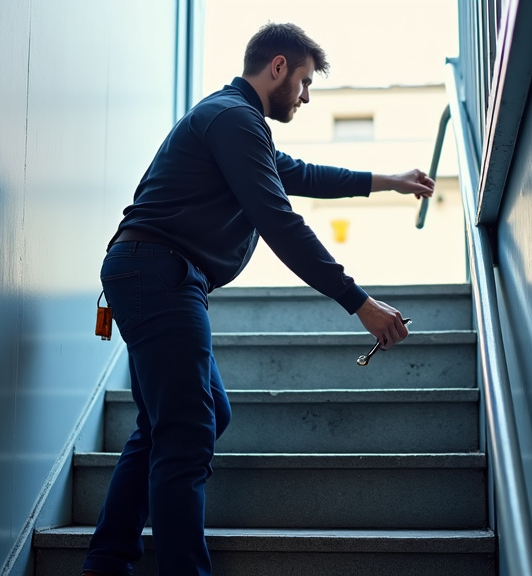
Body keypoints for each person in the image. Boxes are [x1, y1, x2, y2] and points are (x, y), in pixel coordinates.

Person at [82, 22, 435, 576]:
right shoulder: (233, 119)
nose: (306, 97)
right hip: (158, 272)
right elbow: (278, 220)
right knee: (189, 430)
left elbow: (305, 175)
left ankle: (106, 562)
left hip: (159, 274)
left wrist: (387, 181)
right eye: (303, 83)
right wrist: (359, 302)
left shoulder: (240, 126)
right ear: (277, 67)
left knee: (188, 419)